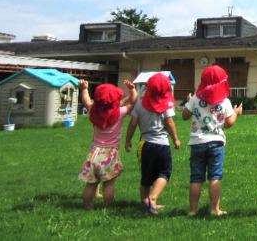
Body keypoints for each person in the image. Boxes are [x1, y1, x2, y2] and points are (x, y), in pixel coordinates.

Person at [181, 65, 243, 217]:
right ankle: (215, 209)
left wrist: (190, 103)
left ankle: (193, 210)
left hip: (197, 143)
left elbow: (184, 115)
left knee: (196, 177)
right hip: (216, 142)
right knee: (215, 176)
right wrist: (236, 113)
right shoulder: (225, 101)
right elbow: (228, 124)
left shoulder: (196, 98)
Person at [124, 72, 181, 214]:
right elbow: (169, 123)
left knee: (146, 176)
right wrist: (175, 139)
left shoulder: (139, 104)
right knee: (165, 172)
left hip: (146, 145)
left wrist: (128, 140)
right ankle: (153, 199)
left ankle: (146, 202)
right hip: (162, 145)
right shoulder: (166, 105)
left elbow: (132, 123)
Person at [78, 79, 138, 210]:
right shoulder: (119, 113)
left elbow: (87, 101)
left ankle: (88, 205)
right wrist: (132, 89)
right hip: (110, 154)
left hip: (94, 153)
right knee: (109, 183)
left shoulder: (93, 110)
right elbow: (133, 103)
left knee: (90, 183)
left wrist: (84, 89)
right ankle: (108, 206)